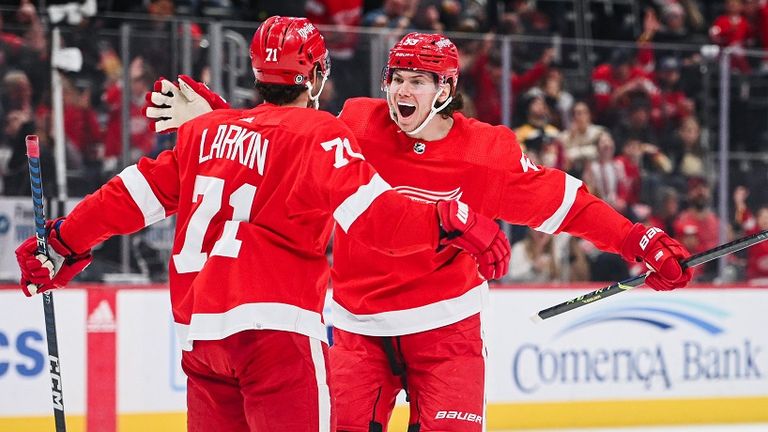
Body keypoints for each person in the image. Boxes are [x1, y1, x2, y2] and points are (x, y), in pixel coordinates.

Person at [146, 32, 694, 432]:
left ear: (445, 89)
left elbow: (565, 202)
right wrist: (217, 120)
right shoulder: (355, 126)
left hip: (447, 328)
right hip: (358, 328)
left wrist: (635, 241)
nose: (402, 91)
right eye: (397, 79)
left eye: (417, 81)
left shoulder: (484, 152)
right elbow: (281, 139)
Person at [15, 18, 511, 432]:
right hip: (277, 333)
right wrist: (450, 216)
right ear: (315, 75)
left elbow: (132, 195)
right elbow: (379, 224)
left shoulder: (204, 133)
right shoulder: (322, 134)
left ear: (256, 69)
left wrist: (60, 242)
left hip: (202, 342)